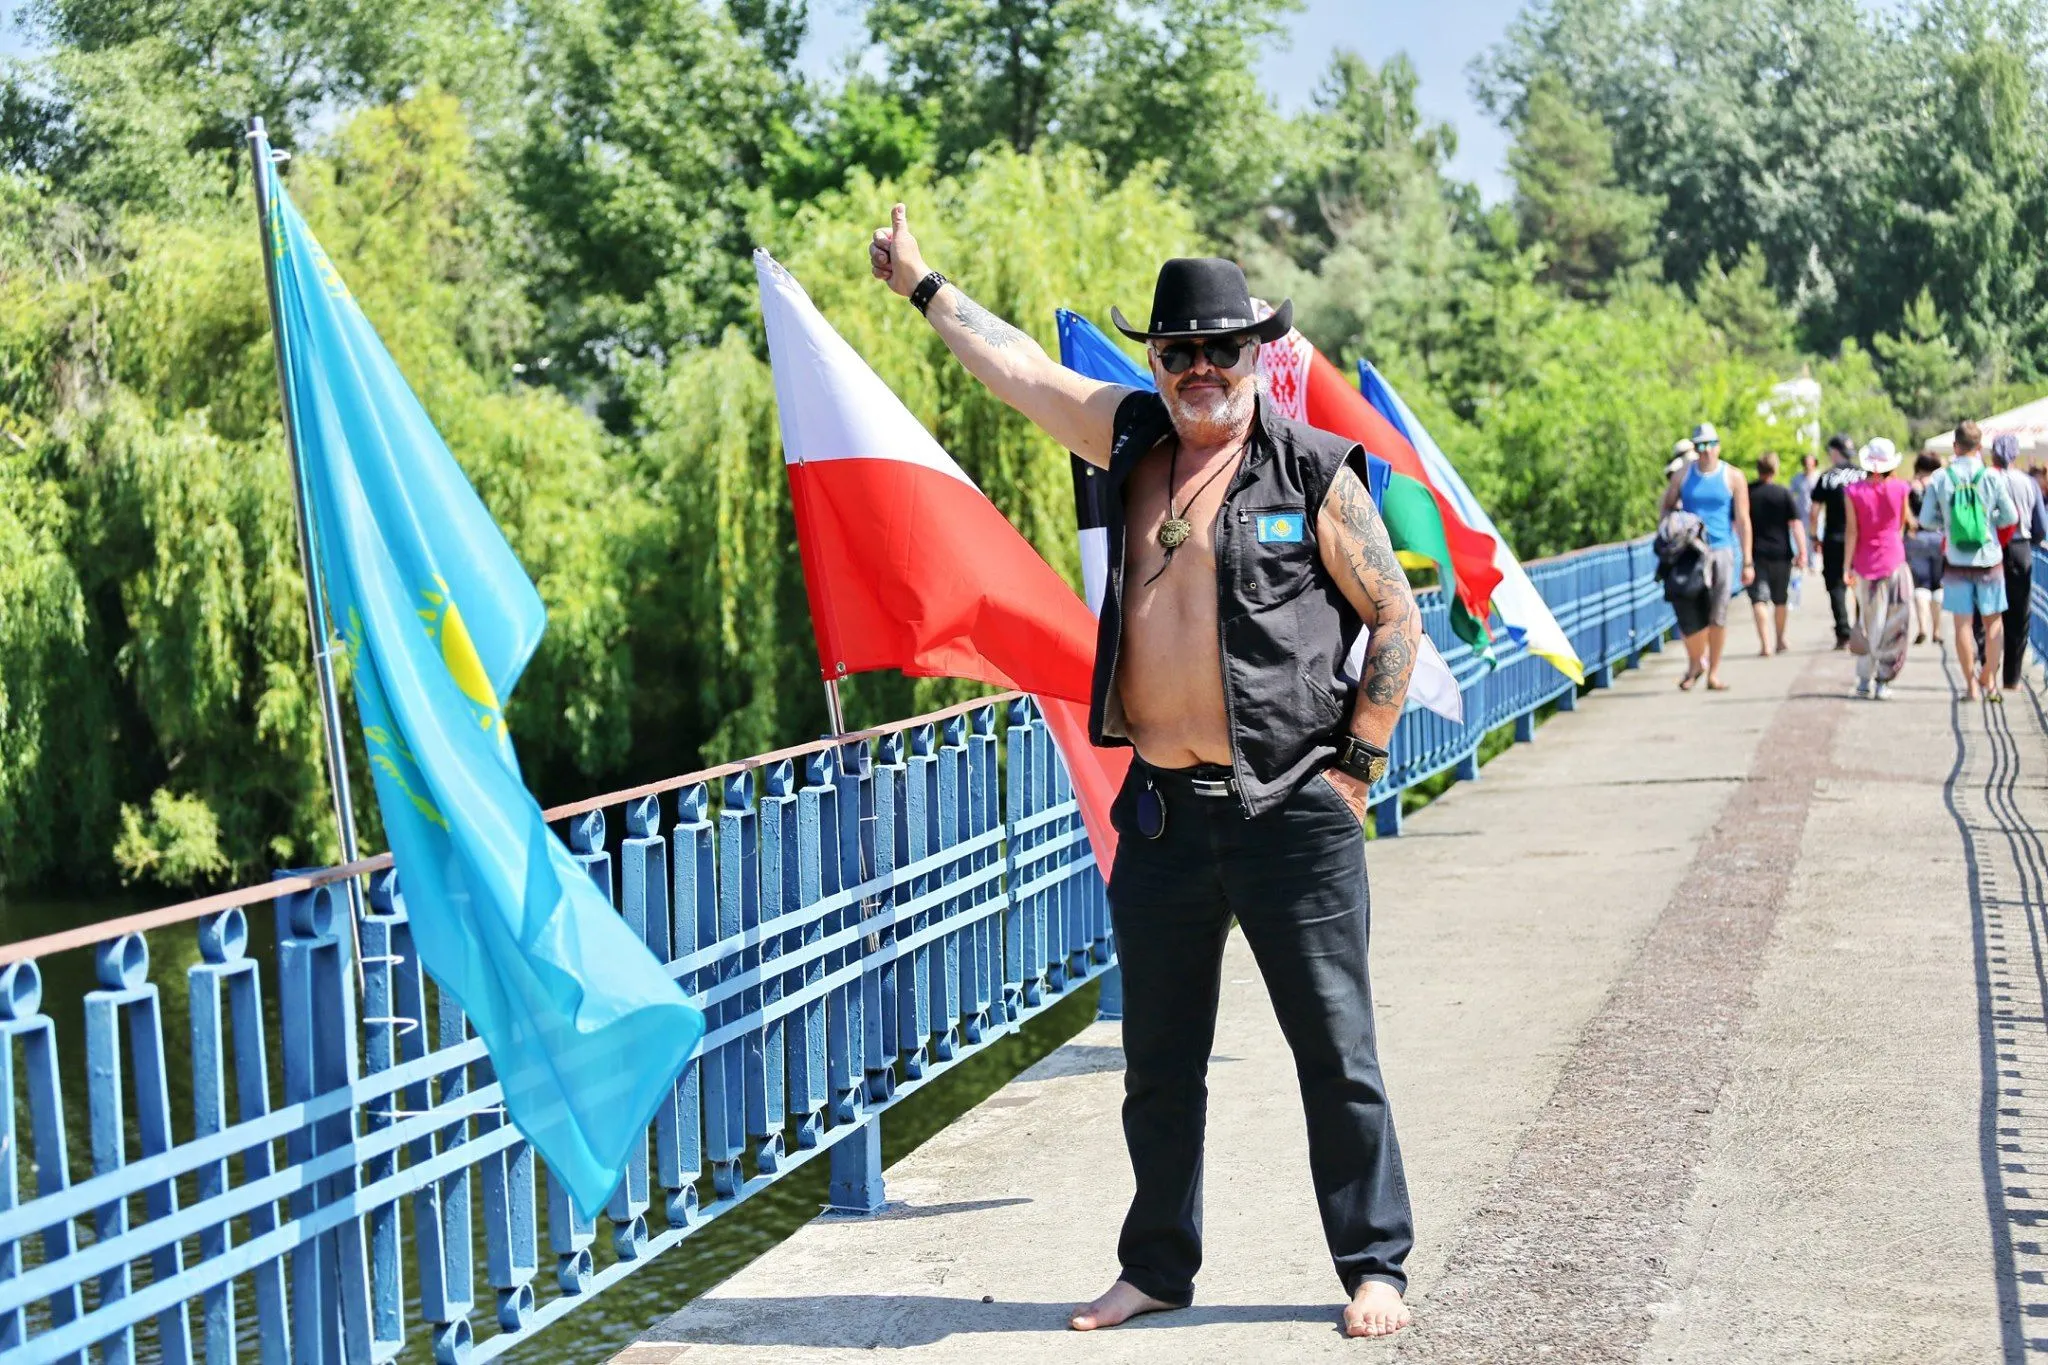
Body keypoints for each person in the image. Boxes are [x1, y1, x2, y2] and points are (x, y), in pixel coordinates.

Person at [868, 212, 1421, 1339]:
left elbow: (1395, 616)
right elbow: (1021, 370)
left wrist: (1356, 772)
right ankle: (1157, 1266)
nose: (1200, 368)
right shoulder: (1127, 441)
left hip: (1290, 811)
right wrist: (923, 285)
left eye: (1221, 349)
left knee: (1336, 1054)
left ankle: (1374, 1265)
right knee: (1157, 1067)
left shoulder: (1312, 471)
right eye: (1179, 351)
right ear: (1157, 361)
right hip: (1164, 817)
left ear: (1255, 356)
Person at [1922, 420, 2021, 701]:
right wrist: (1988, 522)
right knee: (1994, 624)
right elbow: (2011, 516)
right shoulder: (1991, 476)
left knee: (1962, 625)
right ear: (1980, 447)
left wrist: (1949, 524)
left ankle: (1971, 687)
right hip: (1989, 559)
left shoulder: (1941, 478)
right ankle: (1990, 678)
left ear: (1955, 446)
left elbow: (1926, 520)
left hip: (1956, 562)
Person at [1659, 422, 1753, 690]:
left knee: (1718, 614)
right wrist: (1669, 532)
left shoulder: (1733, 476)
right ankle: (1695, 663)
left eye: (1710, 445)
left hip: (1722, 549)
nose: (1706, 451)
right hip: (1690, 552)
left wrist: (1748, 561)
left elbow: (1743, 520)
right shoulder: (1683, 475)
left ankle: (1713, 671)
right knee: (1690, 611)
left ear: (1718, 446)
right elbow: (1666, 506)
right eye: (1700, 446)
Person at [1843, 439, 1911, 698]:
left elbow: (1852, 531)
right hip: (1894, 560)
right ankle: (1884, 680)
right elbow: (1901, 525)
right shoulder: (1901, 488)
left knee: (1869, 621)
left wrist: (1847, 565)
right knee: (1894, 623)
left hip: (1865, 563)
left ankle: (1863, 678)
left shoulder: (1853, 492)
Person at [1991, 434, 2045, 689]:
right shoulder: (2028, 483)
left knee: (1988, 611)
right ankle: (2011, 678)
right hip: (2021, 549)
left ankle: (1986, 669)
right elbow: (2040, 526)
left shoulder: (1987, 480)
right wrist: (2033, 541)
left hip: (1990, 548)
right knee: (2018, 615)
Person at [1747, 450, 1807, 655]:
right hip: (1781, 554)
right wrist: (1802, 552)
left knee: (1759, 600)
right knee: (1780, 599)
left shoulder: (1748, 493)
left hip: (1755, 554)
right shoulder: (1783, 493)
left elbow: (1738, 524)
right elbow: (1796, 525)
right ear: (1775, 469)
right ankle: (1780, 640)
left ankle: (1765, 645)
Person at [1811, 433, 1865, 649]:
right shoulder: (1862, 475)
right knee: (1859, 582)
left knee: (1835, 585)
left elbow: (1814, 511)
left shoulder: (1826, 477)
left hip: (1834, 537)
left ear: (1834, 452)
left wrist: (1814, 536)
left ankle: (1843, 632)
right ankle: (1861, 626)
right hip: (1859, 537)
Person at [1906, 451, 1947, 644]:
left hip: (1917, 538)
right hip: (1939, 537)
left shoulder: (1910, 487)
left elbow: (1905, 514)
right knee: (1937, 585)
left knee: (1921, 584)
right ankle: (1937, 630)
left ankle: (1922, 627)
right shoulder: (1940, 484)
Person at [1790, 451, 1819, 529]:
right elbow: (1790, 494)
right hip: (1800, 516)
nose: (1807, 465)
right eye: (1806, 462)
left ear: (1814, 463)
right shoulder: (1797, 478)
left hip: (1815, 516)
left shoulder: (1819, 478)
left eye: (1810, 462)